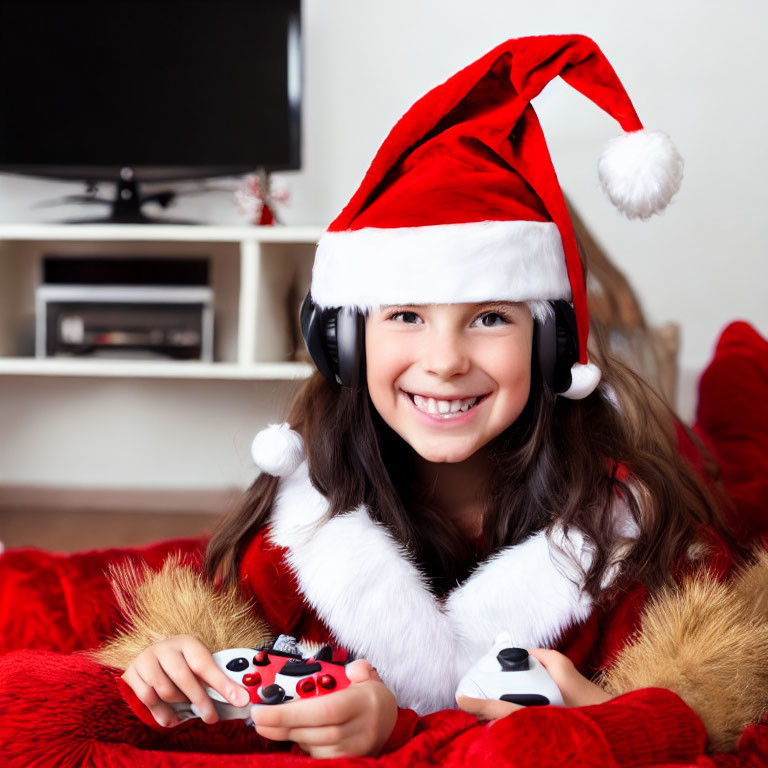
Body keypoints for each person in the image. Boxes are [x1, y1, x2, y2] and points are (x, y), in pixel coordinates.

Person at [119, 34, 748, 761]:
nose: (445, 362)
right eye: (407, 316)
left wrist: (607, 712)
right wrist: (178, 664)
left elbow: (701, 703)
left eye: (489, 318)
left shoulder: (629, 530)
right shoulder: (303, 521)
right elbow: (228, 643)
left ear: (550, 345)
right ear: (346, 344)